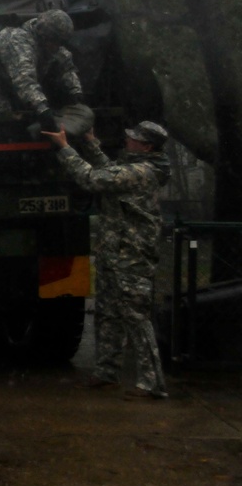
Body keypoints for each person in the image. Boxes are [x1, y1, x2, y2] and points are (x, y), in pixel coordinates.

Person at [42, 120, 171, 400]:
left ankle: (152, 384)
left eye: (134, 139)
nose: (128, 141)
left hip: (132, 256)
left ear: (147, 146)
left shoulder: (142, 171)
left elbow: (92, 179)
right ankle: (106, 373)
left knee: (136, 317)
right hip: (115, 252)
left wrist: (64, 148)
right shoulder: (135, 167)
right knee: (107, 313)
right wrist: (90, 142)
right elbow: (109, 170)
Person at [0, 9, 84, 131]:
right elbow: (24, 79)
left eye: (60, 42)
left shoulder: (49, 42)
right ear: (44, 36)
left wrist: (75, 91)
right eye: (55, 41)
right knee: (8, 121)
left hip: (8, 84)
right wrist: (42, 109)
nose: (57, 46)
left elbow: (66, 64)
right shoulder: (17, 41)